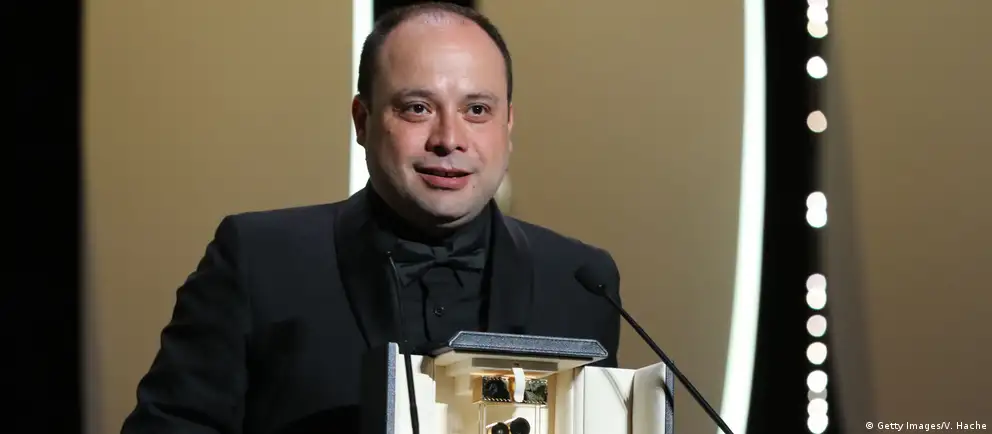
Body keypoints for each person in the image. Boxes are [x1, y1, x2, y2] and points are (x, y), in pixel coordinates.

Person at [121, 3, 622, 433]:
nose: (449, 139)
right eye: (417, 108)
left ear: (507, 124)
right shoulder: (257, 261)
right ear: (363, 121)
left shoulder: (581, 283)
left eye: (476, 110)